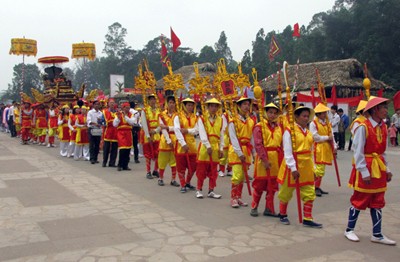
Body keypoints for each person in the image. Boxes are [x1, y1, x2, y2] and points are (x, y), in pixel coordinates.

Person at [345, 96, 396, 245]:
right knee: (360, 198)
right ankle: (349, 229)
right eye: (383, 108)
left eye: (386, 107)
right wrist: (364, 171)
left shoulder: (384, 127)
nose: (386, 111)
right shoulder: (363, 127)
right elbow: (357, 151)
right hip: (366, 167)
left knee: (378, 200)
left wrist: (387, 169)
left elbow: (383, 152)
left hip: (378, 166)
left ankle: (377, 233)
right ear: (374, 110)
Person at [277, 106, 323, 228]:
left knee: (309, 191)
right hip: (293, 165)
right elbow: (287, 151)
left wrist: (313, 168)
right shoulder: (289, 131)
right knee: (286, 191)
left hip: (306, 165)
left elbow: (311, 151)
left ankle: (307, 218)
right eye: (303, 116)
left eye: (307, 116)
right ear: (296, 117)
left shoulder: (308, 133)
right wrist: (293, 168)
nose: (306, 118)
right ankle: (282, 214)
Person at [251, 103, 283, 217]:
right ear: (265, 113)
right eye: (270, 112)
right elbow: (258, 144)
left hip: (276, 159)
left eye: (275, 113)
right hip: (263, 159)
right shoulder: (259, 126)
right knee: (260, 185)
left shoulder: (279, 127)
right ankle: (254, 206)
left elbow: (282, 144)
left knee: (272, 186)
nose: (272, 115)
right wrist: (264, 160)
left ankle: (269, 208)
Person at [195, 98, 226, 199]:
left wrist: (221, 148)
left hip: (215, 147)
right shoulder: (202, 119)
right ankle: (199, 189)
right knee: (201, 170)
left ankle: (211, 190)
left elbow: (222, 135)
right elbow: (202, 133)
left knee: (213, 171)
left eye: (215, 106)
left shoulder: (220, 120)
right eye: (211, 106)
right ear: (207, 107)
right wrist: (207, 145)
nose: (213, 108)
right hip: (205, 147)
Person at [228, 96, 255, 208]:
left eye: (248, 104)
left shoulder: (250, 121)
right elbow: (233, 138)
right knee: (237, 175)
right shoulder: (233, 121)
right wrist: (239, 153)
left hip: (247, 150)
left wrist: (253, 153)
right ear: (238, 106)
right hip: (236, 150)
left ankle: (239, 197)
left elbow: (252, 138)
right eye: (244, 104)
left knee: (243, 176)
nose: (246, 107)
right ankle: (233, 198)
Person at [310, 103, 337, 197]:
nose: (325, 114)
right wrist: (327, 138)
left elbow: (332, 135)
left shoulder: (327, 123)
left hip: (326, 147)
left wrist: (335, 147)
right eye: (323, 113)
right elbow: (315, 137)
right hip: (318, 147)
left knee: (322, 169)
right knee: (319, 169)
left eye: (325, 113)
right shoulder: (313, 123)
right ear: (318, 114)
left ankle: (317, 186)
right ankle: (314, 186)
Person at [174, 97, 199, 193]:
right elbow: (177, 130)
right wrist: (183, 143)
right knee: (181, 166)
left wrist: (188, 131)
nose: (190, 107)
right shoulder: (178, 116)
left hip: (192, 143)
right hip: (181, 144)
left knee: (193, 166)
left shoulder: (195, 117)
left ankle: (188, 182)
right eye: (188, 105)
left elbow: (196, 130)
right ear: (184, 106)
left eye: (192, 105)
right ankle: (182, 184)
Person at [157, 96, 179, 187]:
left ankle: (173, 179)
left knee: (174, 161)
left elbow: (178, 128)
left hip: (175, 138)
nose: (171, 104)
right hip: (165, 139)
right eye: (170, 102)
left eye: (173, 103)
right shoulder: (161, 115)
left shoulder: (178, 115)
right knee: (162, 160)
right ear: (167, 103)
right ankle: (160, 178)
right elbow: (162, 128)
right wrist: (168, 140)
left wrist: (169, 127)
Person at [141, 94, 161, 179]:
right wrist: (148, 135)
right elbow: (144, 123)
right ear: (148, 101)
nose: (152, 101)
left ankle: (155, 170)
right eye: (151, 99)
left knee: (158, 153)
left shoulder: (158, 111)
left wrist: (156, 130)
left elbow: (161, 123)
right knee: (148, 154)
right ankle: (148, 171)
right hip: (148, 134)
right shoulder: (144, 110)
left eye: (154, 99)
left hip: (156, 134)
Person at [113, 102, 136, 171]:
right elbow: (114, 124)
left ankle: (125, 165)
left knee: (128, 149)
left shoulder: (131, 115)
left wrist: (126, 116)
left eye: (128, 108)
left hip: (128, 133)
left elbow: (132, 122)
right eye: (126, 108)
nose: (128, 109)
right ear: (123, 108)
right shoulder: (118, 114)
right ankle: (120, 165)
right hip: (121, 133)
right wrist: (118, 119)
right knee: (122, 149)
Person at [102, 99, 118, 167]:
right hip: (108, 131)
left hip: (116, 132)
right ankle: (104, 162)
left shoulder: (118, 112)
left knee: (114, 148)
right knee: (106, 148)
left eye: (113, 103)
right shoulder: (104, 112)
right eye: (111, 103)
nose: (112, 104)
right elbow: (103, 121)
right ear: (108, 104)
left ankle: (112, 162)